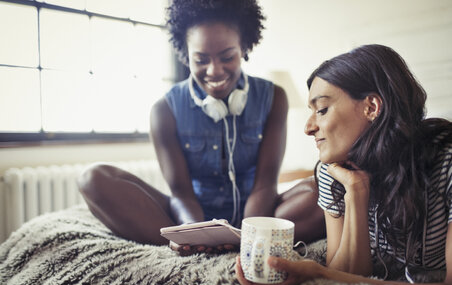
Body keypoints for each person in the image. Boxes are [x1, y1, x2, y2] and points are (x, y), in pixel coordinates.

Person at [78, 0, 325, 253]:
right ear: (186, 54)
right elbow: (181, 194)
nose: (214, 71)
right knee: (93, 179)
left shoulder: (275, 98)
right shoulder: (164, 110)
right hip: (188, 215)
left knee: (326, 188)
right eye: (201, 60)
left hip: (259, 212)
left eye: (227, 57)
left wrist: (248, 232)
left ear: (244, 48)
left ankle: (244, 240)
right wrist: (194, 232)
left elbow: (265, 185)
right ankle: (185, 244)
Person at [236, 44, 452, 285]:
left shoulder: (446, 163)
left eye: (322, 110)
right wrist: (356, 192)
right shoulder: (333, 170)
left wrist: (320, 274)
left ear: (371, 107)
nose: (308, 127)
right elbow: (348, 277)